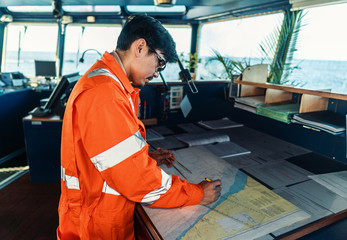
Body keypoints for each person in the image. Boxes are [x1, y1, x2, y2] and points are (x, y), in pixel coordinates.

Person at [57, 15, 221, 240]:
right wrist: (197, 194)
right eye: (160, 63)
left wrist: (148, 159)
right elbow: (137, 181)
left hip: (95, 212)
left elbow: (109, 157)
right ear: (140, 47)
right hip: (97, 223)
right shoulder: (105, 95)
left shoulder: (108, 84)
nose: (156, 74)